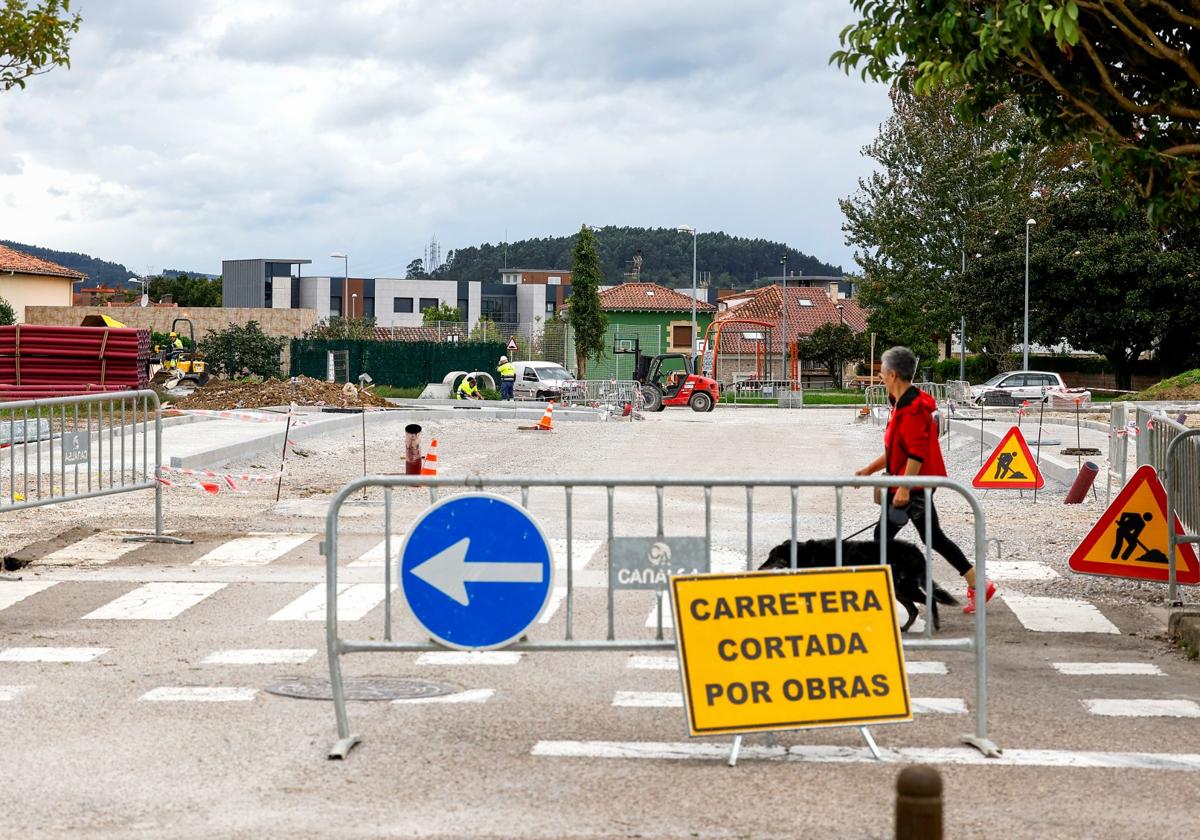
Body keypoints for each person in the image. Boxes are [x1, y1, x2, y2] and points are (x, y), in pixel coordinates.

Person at [855, 346, 996, 614]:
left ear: (893, 374)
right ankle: (978, 584)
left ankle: (881, 593)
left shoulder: (912, 409)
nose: (880, 377)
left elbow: (916, 453)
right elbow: (896, 451)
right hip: (913, 485)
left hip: (913, 487)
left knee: (882, 538)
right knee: (932, 537)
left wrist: (905, 489)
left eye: (882, 372)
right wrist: (868, 470)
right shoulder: (902, 404)